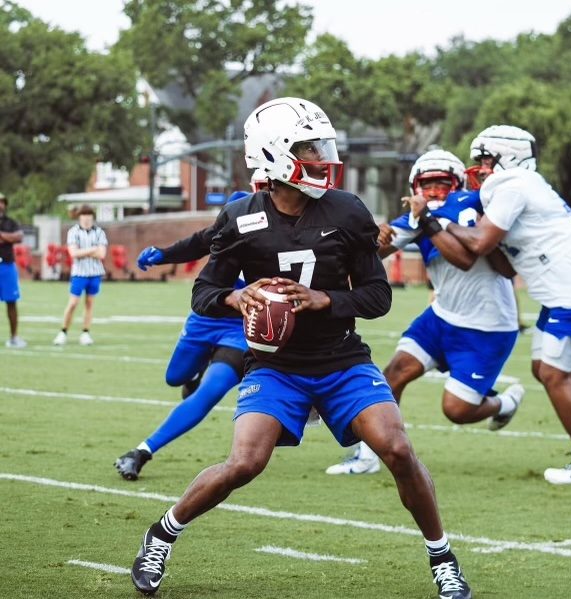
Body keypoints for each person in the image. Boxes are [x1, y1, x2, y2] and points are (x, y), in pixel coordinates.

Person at [128, 98, 472, 599]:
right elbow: (203, 293)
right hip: (275, 366)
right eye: (307, 148)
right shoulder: (240, 217)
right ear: (273, 156)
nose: (320, 158)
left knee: (397, 447)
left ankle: (443, 557)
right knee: (244, 462)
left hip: (341, 359)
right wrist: (236, 295)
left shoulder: (347, 210)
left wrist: (323, 299)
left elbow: (377, 297)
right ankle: (161, 534)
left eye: (319, 146)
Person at [327, 150, 524, 475]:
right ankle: (368, 456)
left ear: (457, 183)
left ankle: (505, 402)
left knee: (457, 410)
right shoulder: (420, 216)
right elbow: (379, 250)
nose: (433, 193)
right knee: (392, 375)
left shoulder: (476, 205)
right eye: (426, 186)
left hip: (487, 326)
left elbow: (466, 258)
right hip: (442, 317)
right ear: (415, 187)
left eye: (441, 185)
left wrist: (428, 222)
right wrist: (376, 240)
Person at [443, 124, 571, 485]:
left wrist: (435, 221)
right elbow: (504, 265)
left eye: (487, 159)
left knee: (554, 374)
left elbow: (479, 243)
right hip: (561, 293)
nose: (482, 167)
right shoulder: (518, 185)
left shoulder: (514, 184)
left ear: (509, 156)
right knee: (544, 368)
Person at [114, 192, 250, 481]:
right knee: (175, 377)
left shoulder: (287, 233)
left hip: (240, 328)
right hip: (206, 316)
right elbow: (200, 241)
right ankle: (197, 369)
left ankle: (142, 451)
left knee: (208, 393)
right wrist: (163, 254)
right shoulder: (238, 212)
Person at [53, 205, 108, 346]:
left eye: (89, 215)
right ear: (79, 217)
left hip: (95, 273)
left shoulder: (100, 232)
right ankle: (63, 331)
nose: (86, 218)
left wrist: (84, 251)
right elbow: (73, 253)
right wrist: (93, 249)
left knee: (89, 303)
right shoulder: (74, 232)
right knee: (73, 303)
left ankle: (85, 332)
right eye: (84, 215)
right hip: (79, 273)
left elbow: (102, 254)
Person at [0, 193, 27, 348]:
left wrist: (2, 236)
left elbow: (18, 237)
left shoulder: (11, 222)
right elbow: (12, 238)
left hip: (7, 266)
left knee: (11, 301)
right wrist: (7, 238)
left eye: (2, 202)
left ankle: (14, 336)